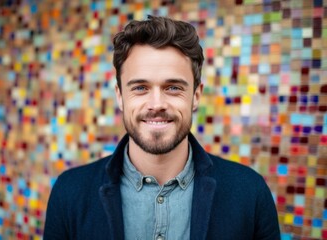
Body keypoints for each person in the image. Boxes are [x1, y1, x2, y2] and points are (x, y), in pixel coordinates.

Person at [44, 16, 280, 240]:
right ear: (120, 96)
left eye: (173, 87)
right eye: (140, 88)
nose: (157, 104)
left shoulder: (251, 193)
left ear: (196, 96)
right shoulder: (69, 193)